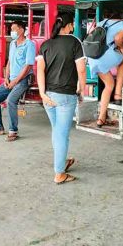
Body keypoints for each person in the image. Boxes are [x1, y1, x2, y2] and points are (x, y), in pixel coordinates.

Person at [36, 14, 86, 184]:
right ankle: (59, 173)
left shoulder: (46, 44)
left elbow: (40, 70)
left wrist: (42, 93)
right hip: (66, 96)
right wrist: (82, 89)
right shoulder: (74, 42)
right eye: (72, 24)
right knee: (62, 134)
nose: (73, 27)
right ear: (69, 25)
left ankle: (61, 161)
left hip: (48, 96)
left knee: (57, 131)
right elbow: (81, 70)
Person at [0, 20, 36, 141]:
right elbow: (9, 62)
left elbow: (28, 66)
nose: (11, 32)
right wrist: (6, 78)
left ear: (22, 30)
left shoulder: (29, 44)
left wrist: (15, 81)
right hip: (11, 79)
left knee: (11, 101)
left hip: (23, 80)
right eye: (11, 29)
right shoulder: (13, 43)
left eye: (14, 29)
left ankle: (13, 131)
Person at [87, 17, 123, 127]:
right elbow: (118, 38)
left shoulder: (103, 22)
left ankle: (101, 118)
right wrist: (121, 47)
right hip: (103, 55)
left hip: (93, 56)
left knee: (109, 85)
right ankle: (118, 94)